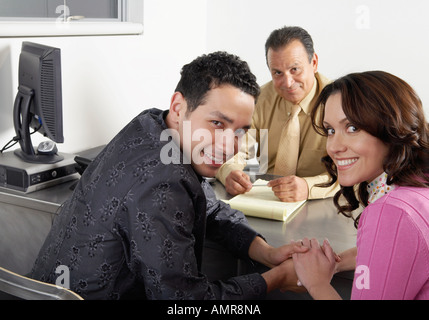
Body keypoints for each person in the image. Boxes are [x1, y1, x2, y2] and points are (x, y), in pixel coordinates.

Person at [31, 51, 307, 300]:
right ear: (178, 108)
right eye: (217, 123)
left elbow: (207, 204)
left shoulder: (151, 123)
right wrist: (275, 279)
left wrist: (264, 251)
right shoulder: (163, 182)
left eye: (240, 130)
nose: (229, 145)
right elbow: (187, 303)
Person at [292, 71, 429, 300]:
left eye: (352, 128)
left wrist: (316, 284)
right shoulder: (418, 187)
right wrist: (340, 261)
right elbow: (406, 249)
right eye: (330, 130)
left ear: (390, 128)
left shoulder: (391, 212)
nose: (334, 146)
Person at [216, 26, 339, 202]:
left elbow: (353, 171)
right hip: (269, 199)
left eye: (295, 69)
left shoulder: (340, 102)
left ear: (314, 63)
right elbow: (233, 149)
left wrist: (309, 187)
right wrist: (229, 172)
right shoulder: (259, 99)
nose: (287, 83)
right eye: (278, 73)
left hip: (323, 204)